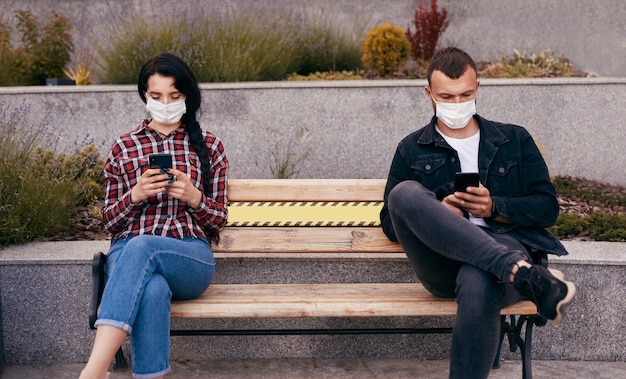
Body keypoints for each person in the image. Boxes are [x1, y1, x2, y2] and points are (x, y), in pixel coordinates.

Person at [379, 47, 576, 379]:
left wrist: (494, 208)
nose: (457, 104)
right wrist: (437, 213)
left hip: (503, 247)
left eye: (465, 94)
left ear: (478, 88)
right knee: (404, 193)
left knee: (479, 279)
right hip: (442, 261)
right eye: (447, 96)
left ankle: (511, 268)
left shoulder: (514, 139)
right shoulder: (411, 149)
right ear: (428, 93)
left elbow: (547, 207)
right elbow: (390, 220)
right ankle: (526, 276)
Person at [80, 53, 228, 379]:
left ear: (187, 96)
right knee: (152, 288)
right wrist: (134, 196)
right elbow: (110, 222)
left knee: (144, 247)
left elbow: (218, 220)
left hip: (189, 256)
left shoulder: (210, 145)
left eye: (174, 96)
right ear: (144, 96)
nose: (165, 103)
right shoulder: (124, 146)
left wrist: (195, 198)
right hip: (129, 251)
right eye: (157, 96)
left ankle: (93, 372)